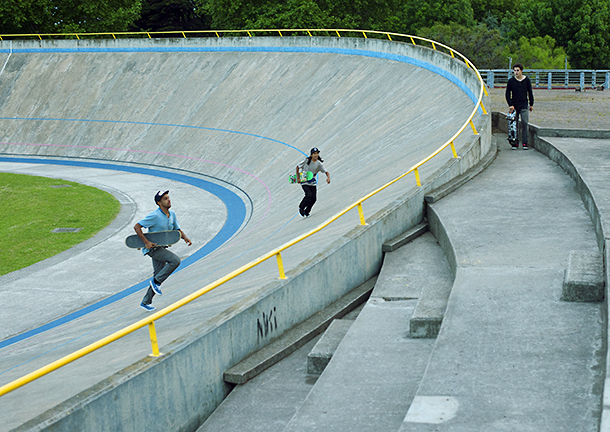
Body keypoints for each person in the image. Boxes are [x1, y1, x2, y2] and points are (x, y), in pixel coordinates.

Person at [135, 190, 192, 311]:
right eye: (165, 199)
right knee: (175, 261)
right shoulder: (154, 216)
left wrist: (185, 238)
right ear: (159, 203)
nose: (169, 200)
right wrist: (146, 242)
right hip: (153, 248)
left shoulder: (172, 214)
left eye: (168, 198)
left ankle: (146, 302)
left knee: (158, 274)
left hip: (162, 247)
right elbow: (137, 226)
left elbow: (177, 229)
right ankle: (156, 282)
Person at [505, 63, 534, 150]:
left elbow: (530, 93)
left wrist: (531, 104)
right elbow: (507, 94)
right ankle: (515, 143)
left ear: (521, 71)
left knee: (525, 122)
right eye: (514, 70)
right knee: (515, 124)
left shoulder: (526, 80)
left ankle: (525, 142)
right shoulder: (511, 81)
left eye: (518, 70)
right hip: (514, 105)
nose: (516, 72)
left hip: (524, 104)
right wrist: (510, 104)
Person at [297, 147, 330, 217]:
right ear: (311, 155)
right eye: (314, 153)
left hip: (312, 182)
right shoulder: (306, 160)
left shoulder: (319, 164)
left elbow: (326, 172)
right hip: (304, 180)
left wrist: (328, 178)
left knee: (314, 198)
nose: (316, 155)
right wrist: (298, 178)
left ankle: (307, 212)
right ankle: (301, 207)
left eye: (317, 153)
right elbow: (297, 167)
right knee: (308, 195)